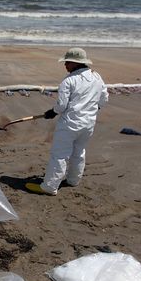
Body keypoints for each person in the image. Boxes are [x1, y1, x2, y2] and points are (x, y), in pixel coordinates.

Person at [27, 48, 108, 196]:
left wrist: (52, 112)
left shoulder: (68, 81)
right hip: (89, 123)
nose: (65, 65)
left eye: (67, 62)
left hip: (70, 124)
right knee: (79, 152)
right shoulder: (97, 77)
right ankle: (73, 180)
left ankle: (50, 187)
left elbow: (61, 106)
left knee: (59, 155)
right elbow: (103, 99)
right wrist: (90, 109)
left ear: (74, 63)